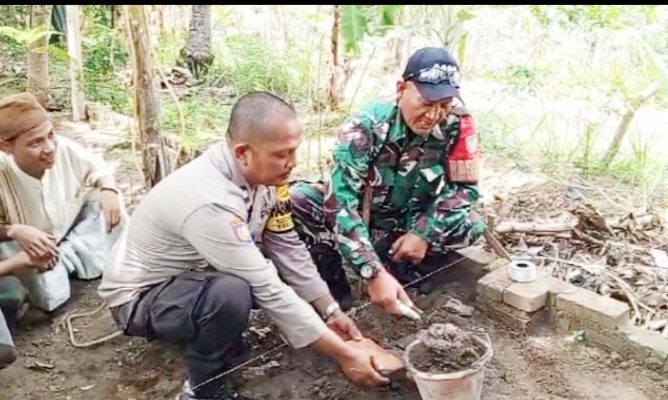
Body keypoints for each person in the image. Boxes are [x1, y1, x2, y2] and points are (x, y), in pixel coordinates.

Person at [98, 91, 391, 400]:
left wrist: (329, 309)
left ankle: (214, 330)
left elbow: (287, 246)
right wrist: (344, 355)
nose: (293, 163)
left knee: (254, 278)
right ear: (243, 153)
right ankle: (202, 389)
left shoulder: (267, 181)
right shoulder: (210, 201)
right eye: (282, 154)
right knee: (231, 292)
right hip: (140, 299)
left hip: (189, 278)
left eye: (294, 151)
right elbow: (265, 285)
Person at [290, 46, 486, 316]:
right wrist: (371, 271)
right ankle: (337, 282)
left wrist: (422, 234)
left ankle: (408, 267)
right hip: (364, 218)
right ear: (401, 89)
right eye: (426, 103)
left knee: (472, 225)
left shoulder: (458, 123)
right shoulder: (366, 127)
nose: (434, 115)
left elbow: (465, 190)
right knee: (298, 200)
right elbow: (341, 202)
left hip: (412, 220)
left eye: (444, 105)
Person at [0, 92, 127, 322]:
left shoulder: (62, 148)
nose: (49, 148)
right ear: (6, 146)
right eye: (35, 142)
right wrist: (15, 230)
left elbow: (99, 170)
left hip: (67, 231)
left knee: (108, 204)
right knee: (49, 295)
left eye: (50, 135)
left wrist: (109, 189)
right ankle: (61, 264)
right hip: (24, 248)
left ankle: (65, 257)